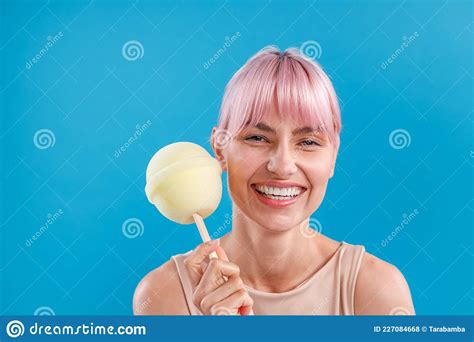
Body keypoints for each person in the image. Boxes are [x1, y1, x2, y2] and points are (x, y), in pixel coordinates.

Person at [133, 46, 415, 315]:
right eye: (257, 138)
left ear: (333, 156)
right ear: (220, 150)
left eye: (308, 141)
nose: (282, 166)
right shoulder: (164, 294)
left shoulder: (376, 290)